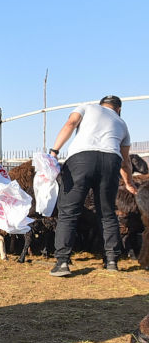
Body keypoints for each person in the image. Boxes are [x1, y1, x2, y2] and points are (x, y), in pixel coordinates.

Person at [48, 95, 136, 276]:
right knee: (107, 212)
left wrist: (54, 151)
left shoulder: (86, 106)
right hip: (111, 161)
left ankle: (63, 262)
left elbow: (70, 123)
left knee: (69, 211)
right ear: (118, 109)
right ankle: (111, 260)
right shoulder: (122, 123)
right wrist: (128, 183)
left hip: (81, 159)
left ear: (101, 105)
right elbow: (125, 162)